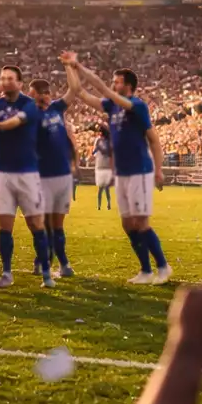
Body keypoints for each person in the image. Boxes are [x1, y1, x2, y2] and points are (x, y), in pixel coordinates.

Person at [61, 53, 170, 284]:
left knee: (141, 222)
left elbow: (103, 89)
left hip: (139, 170)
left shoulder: (137, 106)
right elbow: (80, 92)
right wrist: (69, 68)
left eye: (117, 81)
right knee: (128, 224)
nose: (113, 84)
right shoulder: (112, 107)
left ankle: (162, 267)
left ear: (128, 86)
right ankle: (145, 270)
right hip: (122, 172)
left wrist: (79, 64)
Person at [0, 65, 52, 289]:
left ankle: (46, 273)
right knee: (5, 227)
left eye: (10, 79)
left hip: (27, 173)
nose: (5, 82)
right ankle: (6, 273)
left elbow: (10, 124)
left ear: (20, 83)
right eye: (3, 78)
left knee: (35, 224)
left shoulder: (29, 105)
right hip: (2, 173)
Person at [30, 78, 76, 278]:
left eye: (45, 92)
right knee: (44, 223)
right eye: (37, 93)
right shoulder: (30, 116)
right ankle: (43, 261)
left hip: (63, 174)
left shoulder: (57, 108)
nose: (42, 96)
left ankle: (60, 263)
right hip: (42, 176)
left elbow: (74, 89)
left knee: (57, 224)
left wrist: (69, 67)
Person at [93, 126, 114, 211]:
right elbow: (94, 152)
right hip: (101, 166)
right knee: (102, 188)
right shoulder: (99, 141)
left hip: (105, 166)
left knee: (105, 188)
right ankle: (100, 205)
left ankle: (107, 204)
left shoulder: (108, 142)